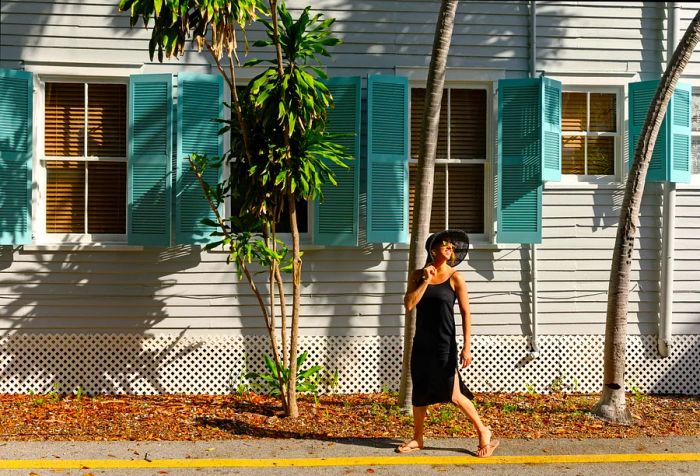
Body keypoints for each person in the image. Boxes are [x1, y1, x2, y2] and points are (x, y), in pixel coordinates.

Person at [397, 229, 499, 458]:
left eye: (452, 247)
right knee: (420, 391)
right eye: (445, 245)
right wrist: (425, 280)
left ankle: (484, 431)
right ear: (433, 249)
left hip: (445, 343)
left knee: (453, 394)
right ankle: (418, 438)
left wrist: (467, 346)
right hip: (422, 342)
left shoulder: (455, 278)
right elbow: (409, 304)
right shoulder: (417, 275)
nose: (450, 249)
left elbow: (466, 313)